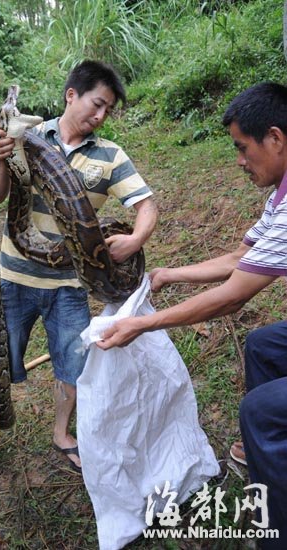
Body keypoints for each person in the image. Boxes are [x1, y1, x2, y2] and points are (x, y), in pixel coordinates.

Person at [97, 82, 287, 547]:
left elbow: (232, 295)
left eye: (243, 149)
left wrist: (141, 324)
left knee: (259, 412)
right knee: (263, 346)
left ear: (276, 139)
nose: (239, 161)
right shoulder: (279, 196)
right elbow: (238, 258)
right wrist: (167, 274)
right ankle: (269, 457)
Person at [0, 60, 158, 477]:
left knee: (71, 365)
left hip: (69, 285)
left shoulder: (110, 156)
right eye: (96, 104)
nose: (100, 115)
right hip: (13, 278)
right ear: (72, 94)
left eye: (107, 109)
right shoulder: (27, 139)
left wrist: (136, 239)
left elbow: (145, 205)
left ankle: (61, 433)